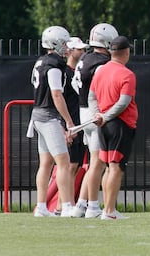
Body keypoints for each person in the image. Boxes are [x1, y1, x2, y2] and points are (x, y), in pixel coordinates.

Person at [28, 25, 77, 217]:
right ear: (55, 44)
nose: (67, 47)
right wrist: (69, 123)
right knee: (63, 162)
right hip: (48, 116)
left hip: (38, 114)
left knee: (46, 163)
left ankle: (41, 206)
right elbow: (57, 94)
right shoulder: (54, 65)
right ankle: (66, 206)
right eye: (64, 43)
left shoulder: (41, 61)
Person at [88, 35, 138, 220]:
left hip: (104, 125)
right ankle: (109, 211)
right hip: (120, 125)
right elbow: (124, 102)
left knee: (109, 167)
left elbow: (91, 97)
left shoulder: (100, 71)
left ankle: (108, 209)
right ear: (126, 52)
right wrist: (105, 116)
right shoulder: (127, 74)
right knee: (116, 168)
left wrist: (98, 115)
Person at [72, 23, 118, 219]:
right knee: (98, 163)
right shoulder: (101, 63)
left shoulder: (85, 58)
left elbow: (76, 85)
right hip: (95, 112)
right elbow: (100, 90)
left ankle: (81, 205)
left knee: (93, 162)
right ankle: (92, 206)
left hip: (84, 111)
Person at [56, 36, 89, 215]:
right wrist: (65, 125)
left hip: (79, 123)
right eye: (79, 49)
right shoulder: (64, 72)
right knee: (68, 166)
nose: (82, 52)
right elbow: (58, 100)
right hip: (70, 125)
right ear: (69, 50)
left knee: (74, 165)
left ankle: (65, 203)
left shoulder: (78, 72)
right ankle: (63, 205)